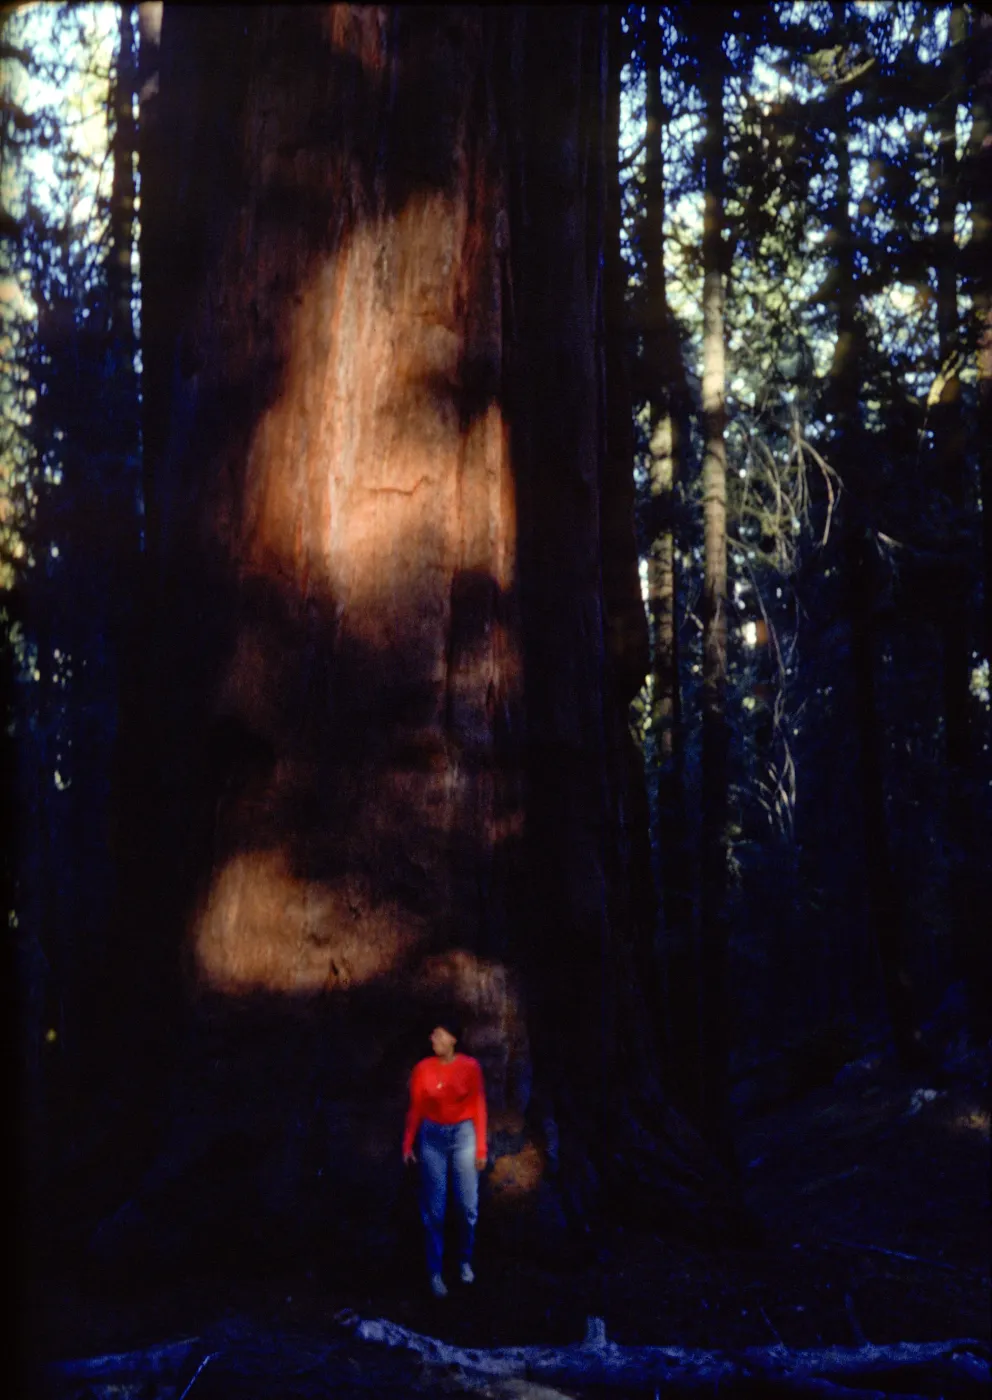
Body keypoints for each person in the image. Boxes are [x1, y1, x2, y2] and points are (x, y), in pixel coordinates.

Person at [403, 1018, 487, 1298]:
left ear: (453, 1039)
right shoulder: (423, 1069)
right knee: (434, 1210)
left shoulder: (470, 1067)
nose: (433, 1039)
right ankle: (435, 1271)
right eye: (432, 1034)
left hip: (463, 1135)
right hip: (433, 1138)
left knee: (467, 1207)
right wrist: (407, 1144)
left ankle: (464, 1259)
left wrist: (481, 1149)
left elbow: (478, 1106)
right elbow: (416, 1107)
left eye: (439, 1035)